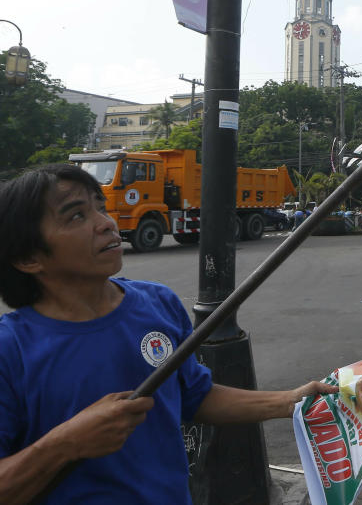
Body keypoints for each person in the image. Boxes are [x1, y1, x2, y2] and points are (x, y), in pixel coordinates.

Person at [0, 164, 337, 503]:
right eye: (76, 216)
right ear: (28, 257)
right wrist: (64, 445)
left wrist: (291, 401)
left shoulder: (156, 303)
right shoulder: (9, 349)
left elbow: (194, 395)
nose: (106, 223)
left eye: (100, 207)